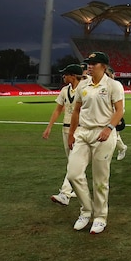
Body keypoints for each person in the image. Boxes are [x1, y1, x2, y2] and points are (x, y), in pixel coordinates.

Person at [66, 51, 124, 235]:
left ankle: (100, 216)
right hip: (83, 133)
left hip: (103, 134)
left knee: (100, 179)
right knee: (73, 173)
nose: (90, 66)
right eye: (89, 63)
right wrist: (72, 133)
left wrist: (108, 128)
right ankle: (86, 210)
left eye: (94, 63)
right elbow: (76, 111)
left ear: (104, 66)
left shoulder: (113, 85)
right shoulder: (83, 85)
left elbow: (119, 110)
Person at [43, 63, 85, 206]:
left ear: (73, 75)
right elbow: (58, 110)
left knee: (73, 163)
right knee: (72, 162)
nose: (63, 76)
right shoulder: (64, 90)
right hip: (66, 129)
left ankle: (65, 194)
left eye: (66, 74)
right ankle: (76, 189)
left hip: (80, 130)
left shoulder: (85, 89)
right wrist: (49, 127)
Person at [106, 66, 128, 161]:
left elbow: (120, 101)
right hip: (105, 113)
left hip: (115, 113)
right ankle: (122, 148)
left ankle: (121, 148)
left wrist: (119, 116)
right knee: (114, 135)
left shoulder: (116, 85)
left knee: (114, 135)